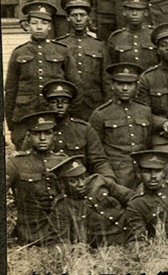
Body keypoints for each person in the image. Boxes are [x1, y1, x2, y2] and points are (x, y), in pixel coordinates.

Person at [6, 1, 74, 145]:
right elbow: (11, 90)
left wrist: (70, 115)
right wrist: (11, 123)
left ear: (49, 27)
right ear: (28, 26)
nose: (39, 27)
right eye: (34, 23)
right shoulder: (19, 52)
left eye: (43, 23)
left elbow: (75, 84)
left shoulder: (62, 51)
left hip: (54, 115)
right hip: (25, 115)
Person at [89, 63, 153, 189]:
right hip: (116, 175)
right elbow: (96, 155)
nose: (125, 88)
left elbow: (148, 144)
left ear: (136, 86)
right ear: (113, 85)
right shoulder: (100, 114)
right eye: (120, 84)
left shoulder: (145, 111)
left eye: (129, 84)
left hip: (143, 175)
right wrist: (108, 179)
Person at [6, 111, 65, 245]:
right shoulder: (16, 163)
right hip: (30, 232)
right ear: (29, 136)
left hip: (61, 231)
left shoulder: (63, 161)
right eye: (37, 134)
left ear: (54, 136)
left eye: (47, 133)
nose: (42, 138)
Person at [48, 154, 134, 246]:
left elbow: (133, 199)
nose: (81, 184)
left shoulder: (99, 181)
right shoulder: (62, 207)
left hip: (130, 233)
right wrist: (74, 248)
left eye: (83, 177)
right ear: (62, 184)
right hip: (104, 246)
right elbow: (59, 242)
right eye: (73, 181)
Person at [43, 80, 114, 179]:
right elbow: (28, 162)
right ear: (47, 104)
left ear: (70, 104)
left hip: (80, 182)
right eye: (54, 102)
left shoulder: (84, 129)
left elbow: (99, 161)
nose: (60, 106)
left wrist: (108, 180)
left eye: (65, 102)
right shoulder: (38, 132)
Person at [56, 0, 108, 120]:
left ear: (88, 18)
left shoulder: (99, 46)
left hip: (94, 104)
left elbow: (106, 80)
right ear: (68, 18)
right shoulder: (59, 45)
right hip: (67, 105)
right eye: (74, 15)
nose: (78, 19)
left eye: (82, 15)